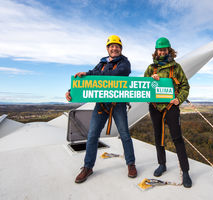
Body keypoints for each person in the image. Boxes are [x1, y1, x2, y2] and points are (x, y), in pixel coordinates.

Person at [65, 35, 137, 183]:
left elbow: (115, 75)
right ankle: (87, 167)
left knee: (124, 134)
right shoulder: (102, 63)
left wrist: (92, 75)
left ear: (120, 49)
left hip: (118, 104)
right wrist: (72, 90)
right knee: (92, 135)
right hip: (102, 104)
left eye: (117, 46)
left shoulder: (125, 63)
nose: (114, 48)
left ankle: (131, 164)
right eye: (111, 46)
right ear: (107, 48)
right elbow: (91, 78)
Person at [144, 37, 192, 188]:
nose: (162, 51)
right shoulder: (151, 68)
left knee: (177, 137)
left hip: (171, 106)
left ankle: (185, 172)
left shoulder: (176, 67)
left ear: (169, 50)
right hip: (155, 107)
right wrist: (151, 79)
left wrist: (179, 99)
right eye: (160, 49)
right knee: (158, 135)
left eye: (165, 49)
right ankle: (162, 164)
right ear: (156, 51)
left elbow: (185, 86)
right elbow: (143, 85)